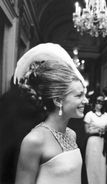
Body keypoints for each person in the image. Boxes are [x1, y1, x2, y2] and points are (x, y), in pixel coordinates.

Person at [14, 43, 88, 184]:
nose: (85, 101)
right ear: (58, 101)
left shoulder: (72, 134)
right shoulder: (34, 140)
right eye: (79, 96)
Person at [84, 95, 107, 184]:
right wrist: (97, 131)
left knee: (101, 165)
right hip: (93, 142)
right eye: (98, 102)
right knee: (92, 164)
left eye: (101, 102)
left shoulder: (105, 115)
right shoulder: (89, 115)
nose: (99, 104)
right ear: (94, 103)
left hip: (102, 142)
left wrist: (106, 129)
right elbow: (87, 130)